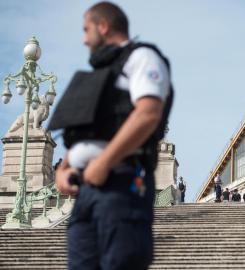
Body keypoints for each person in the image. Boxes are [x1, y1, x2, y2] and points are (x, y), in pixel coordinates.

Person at [50, 2, 173, 269]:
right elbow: (88, 132)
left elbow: (148, 114)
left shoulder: (142, 58)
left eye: (86, 29)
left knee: (120, 262)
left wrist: (104, 162)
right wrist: (63, 169)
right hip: (86, 191)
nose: (83, 39)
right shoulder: (100, 75)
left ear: (103, 27)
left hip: (121, 180)